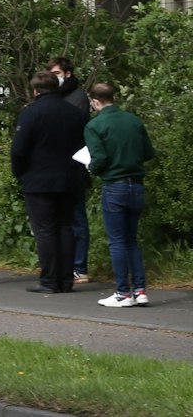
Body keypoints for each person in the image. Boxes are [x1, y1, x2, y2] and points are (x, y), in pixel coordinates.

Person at [12, 69, 89, 294]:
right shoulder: (75, 113)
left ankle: (49, 279)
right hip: (70, 177)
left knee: (45, 230)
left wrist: (20, 173)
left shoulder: (31, 114)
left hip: (39, 179)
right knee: (66, 227)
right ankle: (65, 279)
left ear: (35, 90)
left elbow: (18, 150)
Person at [84, 81, 154, 308]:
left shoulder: (94, 126)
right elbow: (147, 152)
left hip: (114, 185)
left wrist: (91, 168)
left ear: (95, 101)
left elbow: (100, 159)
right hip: (137, 184)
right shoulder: (133, 121)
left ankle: (122, 292)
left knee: (117, 241)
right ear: (114, 97)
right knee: (132, 240)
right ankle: (140, 290)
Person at [49, 56, 93, 285]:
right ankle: (66, 264)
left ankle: (79, 267)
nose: (55, 77)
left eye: (57, 73)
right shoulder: (60, 96)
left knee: (76, 218)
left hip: (73, 165)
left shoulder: (77, 98)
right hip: (58, 166)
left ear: (67, 73)